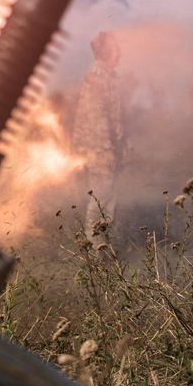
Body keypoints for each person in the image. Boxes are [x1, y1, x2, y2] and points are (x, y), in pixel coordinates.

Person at [70, 31, 125, 245]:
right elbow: (96, 118)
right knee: (101, 198)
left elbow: (114, 117)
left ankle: (102, 248)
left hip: (106, 148)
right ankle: (95, 251)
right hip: (98, 149)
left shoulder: (109, 76)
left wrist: (121, 145)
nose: (120, 52)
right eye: (115, 47)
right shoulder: (97, 76)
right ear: (104, 51)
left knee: (108, 198)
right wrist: (106, 151)